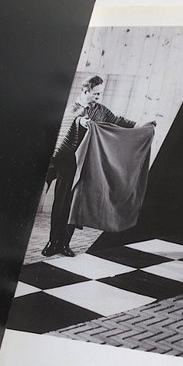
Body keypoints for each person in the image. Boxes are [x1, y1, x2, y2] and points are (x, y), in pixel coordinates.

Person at [42, 75, 156, 257]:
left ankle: (64, 244)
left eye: (100, 94)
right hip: (67, 162)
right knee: (61, 203)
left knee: (76, 203)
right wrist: (80, 121)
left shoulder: (101, 110)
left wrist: (141, 124)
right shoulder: (73, 108)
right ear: (85, 90)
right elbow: (71, 122)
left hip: (86, 164)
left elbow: (118, 120)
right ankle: (52, 242)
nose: (98, 97)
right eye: (95, 93)